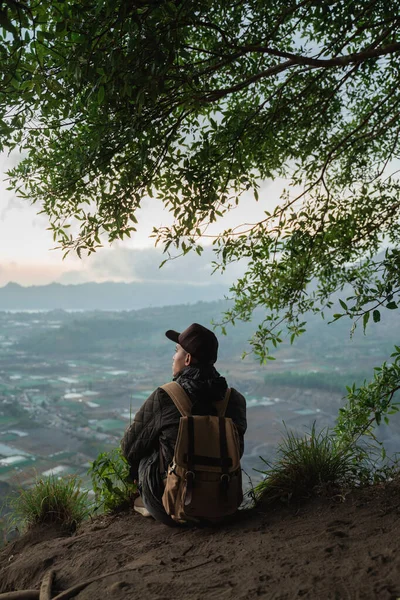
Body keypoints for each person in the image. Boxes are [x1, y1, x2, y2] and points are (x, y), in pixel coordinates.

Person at [121, 322, 247, 526]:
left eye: (176, 351)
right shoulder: (235, 400)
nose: (173, 357)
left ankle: (152, 499)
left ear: (187, 359)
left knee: (144, 446)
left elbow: (128, 448)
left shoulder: (166, 396)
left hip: (170, 509)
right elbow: (237, 452)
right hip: (224, 505)